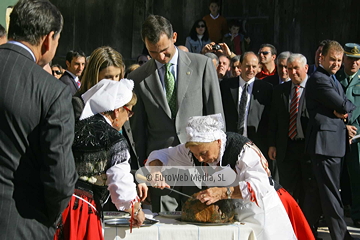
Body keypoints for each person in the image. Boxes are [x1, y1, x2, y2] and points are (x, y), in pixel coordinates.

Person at [128, 15, 224, 212]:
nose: (161, 57)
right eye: (153, 52)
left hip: (199, 164)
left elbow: (215, 119)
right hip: (161, 170)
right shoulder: (137, 78)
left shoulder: (202, 66)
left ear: (174, 37)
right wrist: (143, 173)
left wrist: (218, 169)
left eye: (165, 51)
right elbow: (138, 133)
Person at [146, 114, 296, 240]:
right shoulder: (194, 151)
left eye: (204, 153)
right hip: (233, 217)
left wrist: (224, 192)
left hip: (261, 214)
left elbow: (260, 186)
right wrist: (156, 172)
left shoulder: (241, 149)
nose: (199, 159)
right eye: (196, 154)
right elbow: (160, 155)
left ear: (217, 142)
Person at [0, 0, 77, 239]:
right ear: (48, 39)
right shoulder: (52, 92)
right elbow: (60, 180)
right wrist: (50, 218)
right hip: (21, 225)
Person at [55, 79, 145, 240]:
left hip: (58, 202)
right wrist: (136, 210)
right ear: (117, 110)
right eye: (129, 112)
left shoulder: (75, 124)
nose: (128, 118)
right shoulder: (113, 139)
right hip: (81, 209)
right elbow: (120, 181)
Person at [305, 40, 356, 240]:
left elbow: (343, 107)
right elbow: (344, 105)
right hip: (324, 146)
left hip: (332, 145)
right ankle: (341, 236)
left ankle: (302, 232)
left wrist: (343, 112)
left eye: (338, 60)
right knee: (331, 195)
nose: (335, 64)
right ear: (322, 58)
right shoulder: (320, 78)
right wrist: (343, 111)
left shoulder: (332, 78)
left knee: (318, 195)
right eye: (332, 60)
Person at [268, 53, 313, 209]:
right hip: (287, 148)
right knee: (288, 189)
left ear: (306, 68)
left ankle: (308, 228)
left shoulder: (315, 89)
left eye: (296, 68)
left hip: (308, 148)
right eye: (289, 68)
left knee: (308, 189)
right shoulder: (280, 90)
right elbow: (273, 119)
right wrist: (272, 144)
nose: (292, 72)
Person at [220, 52, 273, 166]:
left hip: (256, 142)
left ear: (258, 67)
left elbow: (270, 117)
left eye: (254, 66)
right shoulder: (226, 85)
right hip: (230, 141)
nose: (251, 69)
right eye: (247, 66)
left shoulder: (266, 89)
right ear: (240, 66)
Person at [336, 43, 360, 228]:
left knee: (357, 174)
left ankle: (357, 213)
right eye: (350, 59)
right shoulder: (336, 78)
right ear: (344, 59)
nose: (354, 63)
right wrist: (343, 126)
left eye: (357, 60)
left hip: (358, 137)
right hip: (337, 133)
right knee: (335, 175)